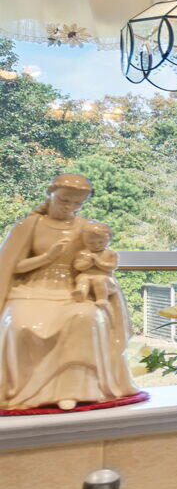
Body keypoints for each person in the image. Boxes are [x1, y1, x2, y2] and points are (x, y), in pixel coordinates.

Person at [0, 174, 140, 411]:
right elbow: (13, 266)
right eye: (65, 201)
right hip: (32, 288)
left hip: (74, 289)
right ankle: (25, 392)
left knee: (87, 318)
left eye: (77, 204)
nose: (70, 207)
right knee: (19, 324)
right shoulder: (29, 225)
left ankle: (76, 390)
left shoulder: (86, 228)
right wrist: (47, 257)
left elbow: (100, 262)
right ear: (51, 194)